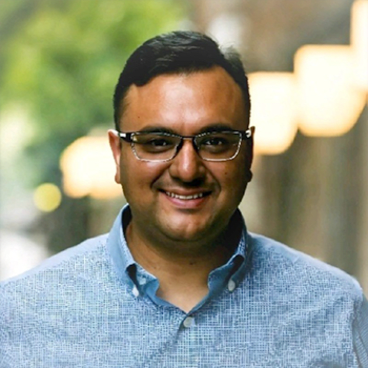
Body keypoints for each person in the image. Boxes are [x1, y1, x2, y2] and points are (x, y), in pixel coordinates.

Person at [1, 31, 367, 368]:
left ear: (248, 152)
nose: (187, 170)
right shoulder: (24, 313)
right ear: (118, 155)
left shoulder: (335, 308)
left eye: (215, 141)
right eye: (158, 142)